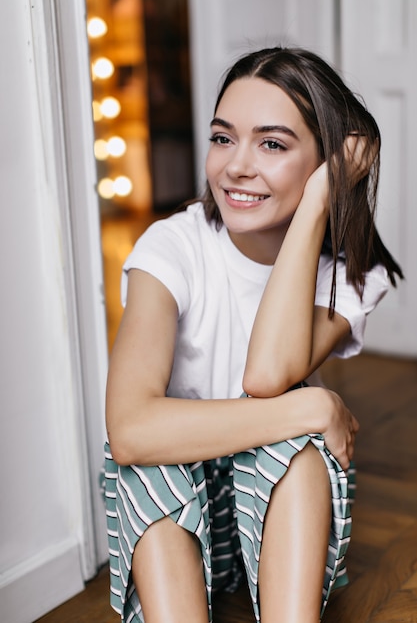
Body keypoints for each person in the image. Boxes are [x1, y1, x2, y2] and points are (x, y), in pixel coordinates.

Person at [104, 46, 403, 623]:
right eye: (223, 138)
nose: (237, 165)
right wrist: (314, 404)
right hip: (177, 509)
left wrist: (320, 199)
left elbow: (265, 376)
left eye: (272, 144)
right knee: (159, 455)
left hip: (275, 512)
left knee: (296, 437)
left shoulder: (349, 276)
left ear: (324, 163)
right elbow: (132, 433)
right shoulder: (172, 248)